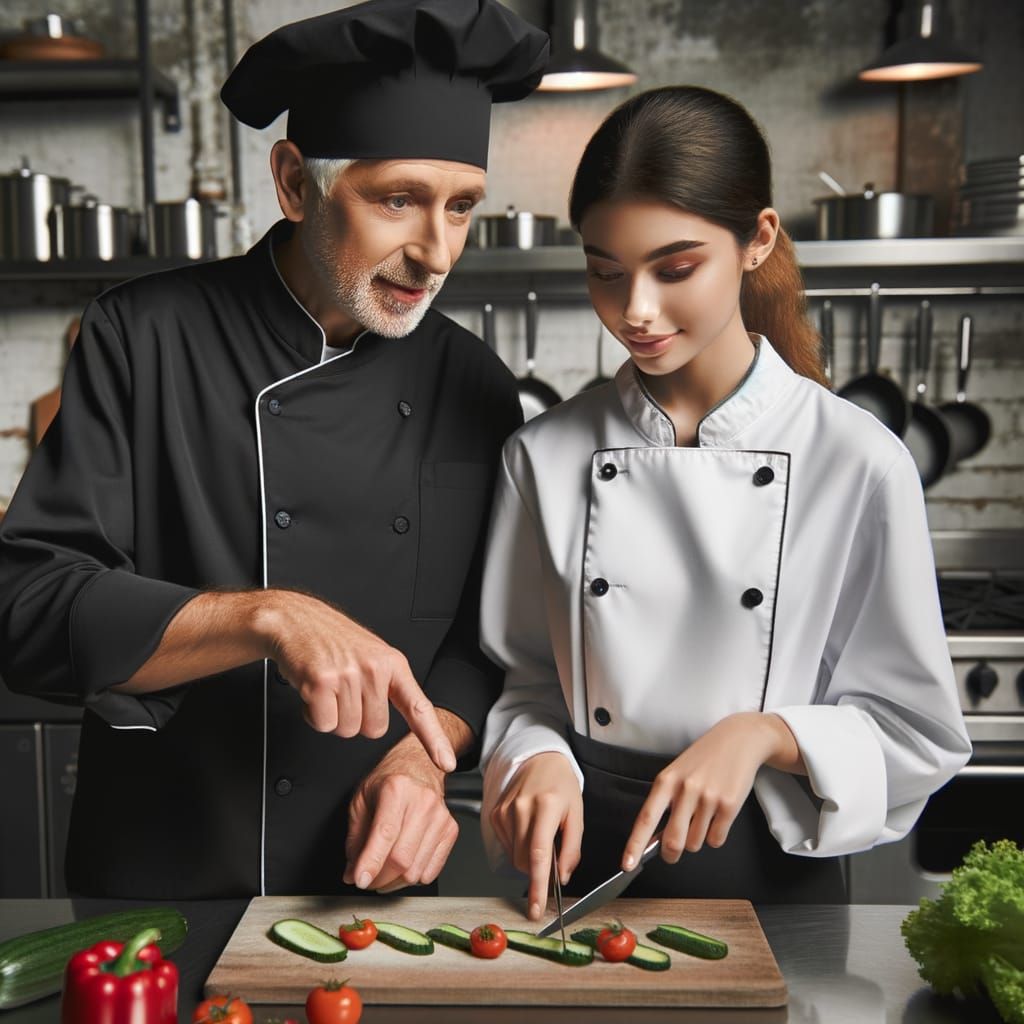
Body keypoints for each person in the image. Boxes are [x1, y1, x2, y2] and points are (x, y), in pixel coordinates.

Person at [0, 0, 548, 898]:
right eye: (398, 199)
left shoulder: (474, 381)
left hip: (376, 878)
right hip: (166, 867)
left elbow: (492, 640)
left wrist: (427, 751)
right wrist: (266, 616)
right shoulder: (143, 336)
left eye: (462, 208)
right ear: (296, 184)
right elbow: (29, 608)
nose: (437, 252)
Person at [478, 85, 972, 917]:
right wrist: (536, 759)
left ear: (758, 241)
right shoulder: (544, 456)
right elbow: (525, 685)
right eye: (605, 272)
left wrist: (768, 734)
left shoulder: (856, 461)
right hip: (587, 878)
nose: (636, 311)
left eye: (675, 270)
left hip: (772, 883)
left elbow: (917, 733)